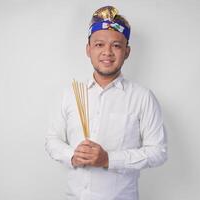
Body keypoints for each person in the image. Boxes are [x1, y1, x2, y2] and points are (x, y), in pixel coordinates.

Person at [45, 5, 167, 200]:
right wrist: (72, 155)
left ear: (127, 52)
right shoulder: (70, 94)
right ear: (88, 49)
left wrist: (109, 159)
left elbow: (158, 152)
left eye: (116, 45)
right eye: (99, 44)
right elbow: (52, 140)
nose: (107, 52)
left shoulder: (143, 97)